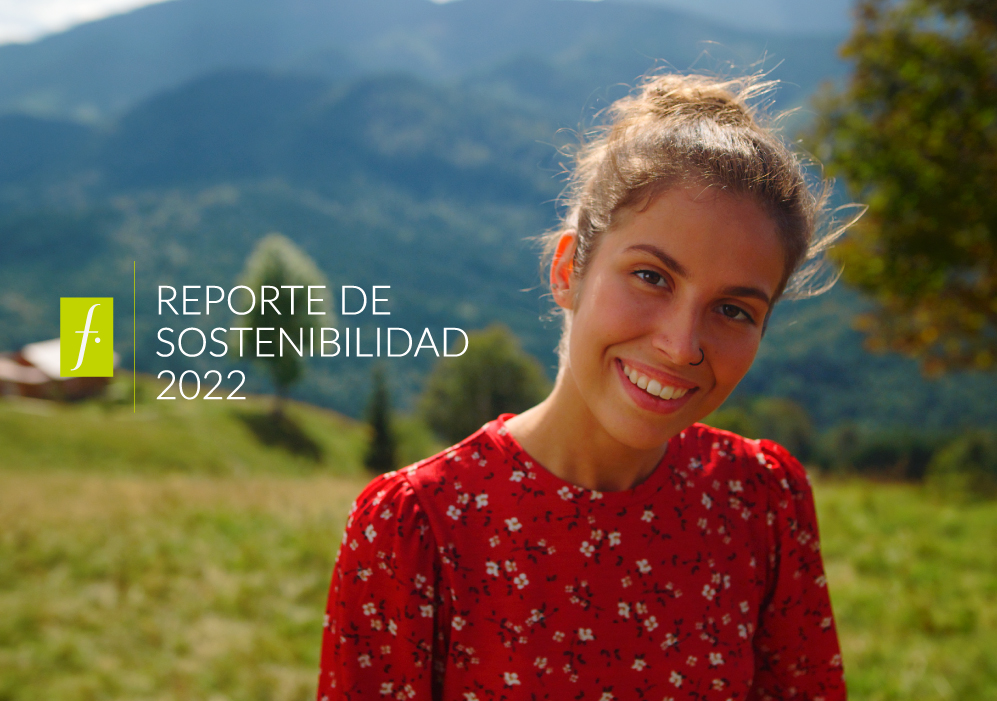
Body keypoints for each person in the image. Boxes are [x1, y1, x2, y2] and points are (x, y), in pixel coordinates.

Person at [317, 73, 851, 701]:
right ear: (569, 270)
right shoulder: (418, 531)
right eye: (652, 277)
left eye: (734, 310)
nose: (681, 346)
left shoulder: (761, 502)